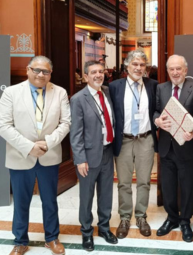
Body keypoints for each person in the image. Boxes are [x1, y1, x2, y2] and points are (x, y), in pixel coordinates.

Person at [0, 56, 71, 255]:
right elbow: (3, 125)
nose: (41, 74)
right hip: (20, 155)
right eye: (36, 70)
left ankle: (52, 238)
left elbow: (66, 123)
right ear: (27, 70)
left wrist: (48, 143)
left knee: (50, 200)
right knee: (22, 201)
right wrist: (28, 147)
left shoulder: (60, 92)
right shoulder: (11, 93)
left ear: (51, 73)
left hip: (49, 155)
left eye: (45, 71)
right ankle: (20, 240)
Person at [153, 54, 193, 242]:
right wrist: (157, 120)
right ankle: (172, 218)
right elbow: (156, 111)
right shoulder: (161, 88)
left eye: (179, 69)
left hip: (187, 147)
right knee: (167, 187)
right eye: (171, 69)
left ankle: (185, 221)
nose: (175, 72)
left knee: (187, 187)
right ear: (167, 71)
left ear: (185, 70)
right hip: (166, 147)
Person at [109, 50, 158, 238]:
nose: (138, 68)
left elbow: (157, 110)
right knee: (124, 182)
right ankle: (124, 217)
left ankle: (141, 216)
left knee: (144, 181)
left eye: (142, 65)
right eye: (134, 64)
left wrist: (158, 119)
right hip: (124, 139)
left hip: (146, 138)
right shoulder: (114, 86)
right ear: (127, 66)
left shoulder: (153, 85)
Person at [70, 60, 117, 251]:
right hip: (88, 156)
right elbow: (76, 133)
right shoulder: (78, 99)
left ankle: (104, 228)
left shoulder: (106, 92)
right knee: (86, 196)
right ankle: (87, 231)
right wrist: (80, 159)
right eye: (94, 72)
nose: (98, 75)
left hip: (107, 151)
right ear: (86, 76)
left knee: (106, 194)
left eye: (101, 71)